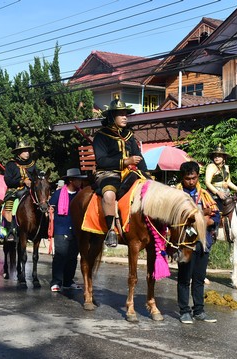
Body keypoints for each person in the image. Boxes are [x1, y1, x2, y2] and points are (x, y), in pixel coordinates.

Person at [92, 98, 148, 247]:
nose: (125, 117)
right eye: (121, 114)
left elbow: (139, 158)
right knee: (109, 195)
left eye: (126, 114)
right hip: (107, 174)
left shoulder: (130, 135)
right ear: (111, 116)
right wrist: (125, 162)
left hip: (130, 174)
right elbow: (102, 161)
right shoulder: (101, 136)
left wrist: (148, 175)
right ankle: (111, 230)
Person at [175, 161, 220, 324]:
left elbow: (216, 215)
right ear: (182, 178)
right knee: (184, 278)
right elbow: (177, 216)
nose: (191, 181)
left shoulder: (206, 195)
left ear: (198, 177)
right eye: (188, 178)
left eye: (194, 178)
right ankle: (184, 311)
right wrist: (202, 214)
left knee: (199, 278)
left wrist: (211, 221)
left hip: (203, 241)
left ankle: (199, 311)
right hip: (184, 242)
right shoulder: (176, 195)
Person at [49, 168, 86, 292]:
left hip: (76, 230)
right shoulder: (59, 193)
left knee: (72, 256)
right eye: (78, 179)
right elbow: (51, 206)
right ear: (71, 180)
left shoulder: (81, 194)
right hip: (61, 228)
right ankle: (56, 282)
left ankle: (68, 281)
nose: (80, 182)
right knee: (60, 255)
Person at [2, 140, 39, 241]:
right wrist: (22, 181)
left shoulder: (32, 164)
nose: (27, 153)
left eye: (28, 151)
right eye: (25, 151)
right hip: (14, 190)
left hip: (28, 190)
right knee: (8, 207)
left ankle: (39, 228)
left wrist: (32, 181)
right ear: (19, 153)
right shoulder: (11, 164)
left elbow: (36, 177)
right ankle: (10, 231)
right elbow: (8, 180)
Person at [204, 144, 237, 212]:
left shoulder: (226, 168)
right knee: (218, 213)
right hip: (214, 195)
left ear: (224, 157)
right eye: (215, 156)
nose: (217, 158)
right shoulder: (211, 167)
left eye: (219, 156)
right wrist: (218, 193)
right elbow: (207, 182)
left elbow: (228, 182)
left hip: (226, 194)